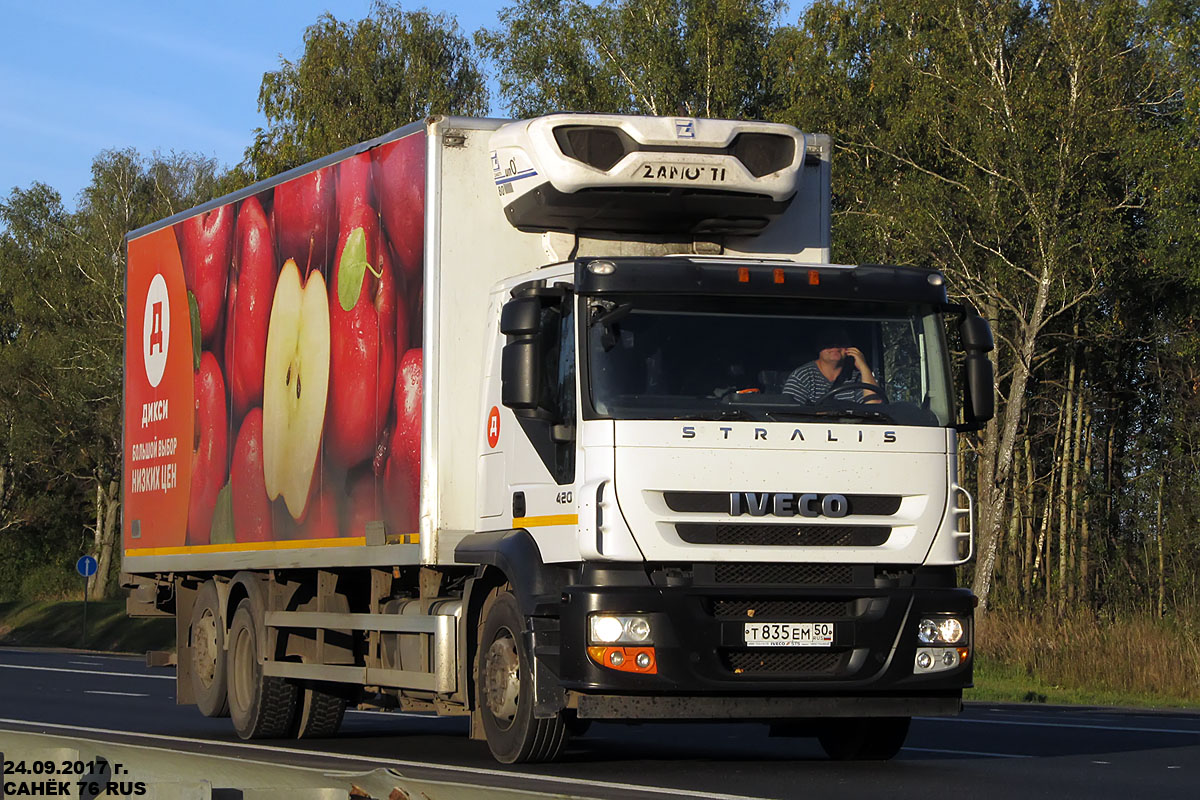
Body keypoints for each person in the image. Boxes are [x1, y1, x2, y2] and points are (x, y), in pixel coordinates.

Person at [783, 324, 882, 404]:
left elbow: (875, 407)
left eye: (841, 342)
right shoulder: (802, 376)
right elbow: (788, 415)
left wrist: (864, 368)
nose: (835, 346)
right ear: (818, 347)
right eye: (828, 343)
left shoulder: (858, 378)